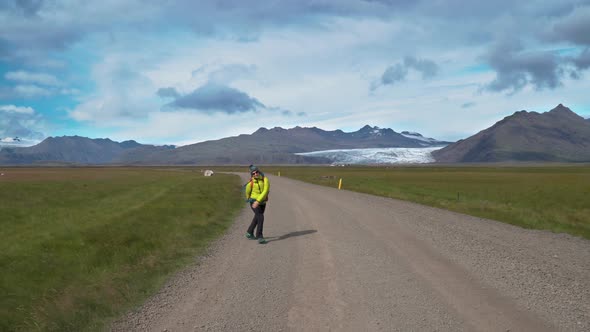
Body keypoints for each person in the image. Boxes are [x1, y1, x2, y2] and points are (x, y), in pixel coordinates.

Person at [245, 165, 270, 244]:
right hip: (254, 202)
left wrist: (258, 201)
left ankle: (249, 232)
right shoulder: (250, 183)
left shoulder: (265, 179)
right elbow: (247, 192)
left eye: (257, 172)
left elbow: (265, 190)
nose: (255, 174)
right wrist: (251, 201)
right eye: (253, 173)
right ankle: (259, 236)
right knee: (260, 217)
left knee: (257, 217)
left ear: (259, 171)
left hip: (262, 202)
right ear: (252, 175)